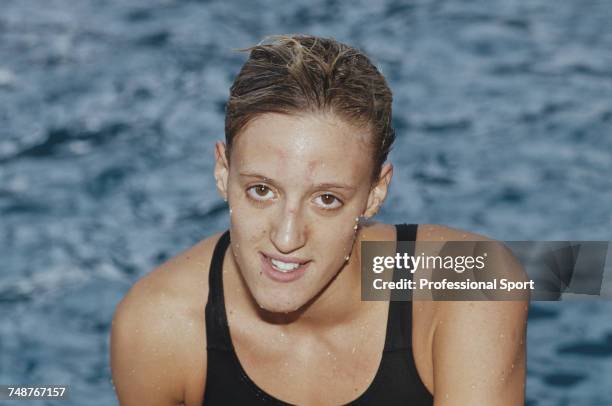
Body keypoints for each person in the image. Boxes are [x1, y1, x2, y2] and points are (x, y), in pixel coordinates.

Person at [110, 34, 528, 405]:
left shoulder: (474, 279)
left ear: (375, 193)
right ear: (223, 172)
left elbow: (564, 274)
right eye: (262, 191)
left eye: (327, 199)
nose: (287, 237)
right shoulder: (158, 325)